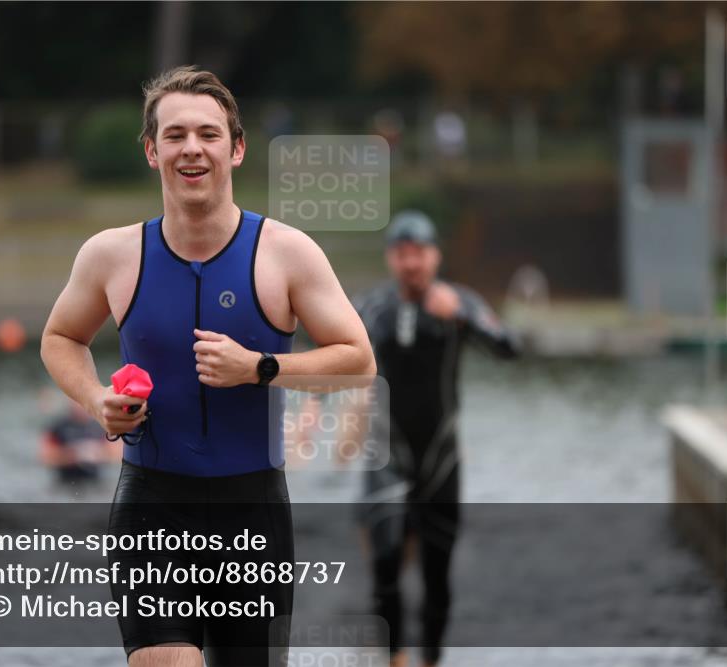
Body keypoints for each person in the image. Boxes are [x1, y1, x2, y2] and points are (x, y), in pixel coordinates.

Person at [40, 66, 375, 667]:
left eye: (208, 134)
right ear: (152, 151)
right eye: (174, 135)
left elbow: (357, 361)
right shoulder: (112, 255)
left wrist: (260, 367)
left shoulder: (287, 254)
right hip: (152, 510)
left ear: (236, 148)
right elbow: (61, 336)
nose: (191, 148)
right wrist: (95, 400)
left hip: (253, 516)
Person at [353, 210, 519, 667]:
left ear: (436, 257)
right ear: (391, 259)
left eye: (420, 254)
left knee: (437, 572)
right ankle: (394, 658)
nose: (412, 264)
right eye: (403, 255)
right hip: (387, 454)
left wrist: (464, 316)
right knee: (385, 562)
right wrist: (311, 407)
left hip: (441, 457)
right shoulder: (374, 307)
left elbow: (510, 347)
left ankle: (430, 660)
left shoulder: (458, 303)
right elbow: (326, 345)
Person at [39, 397, 120, 487]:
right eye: (76, 402)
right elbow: (45, 457)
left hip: (94, 482)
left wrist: (97, 454)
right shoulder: (58, 426)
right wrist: (73, 455)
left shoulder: (100, 425)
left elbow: (116, 455)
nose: (80, 406)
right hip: (65, 482)